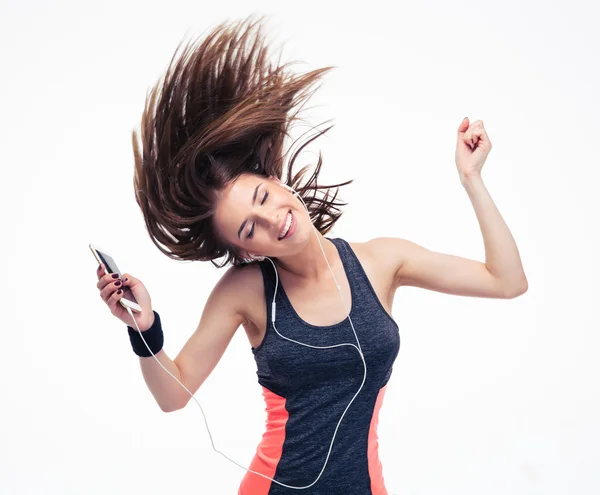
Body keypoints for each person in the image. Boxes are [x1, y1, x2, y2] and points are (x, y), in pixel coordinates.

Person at [95, 15, 528, 495]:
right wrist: (144, 329)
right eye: (248, 229)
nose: (270, 220)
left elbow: (506, 281)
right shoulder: (247, 291)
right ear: (243, 249)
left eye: (261, 199)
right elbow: (174, 395)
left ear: (274, 180)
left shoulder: (382, 261)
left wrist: (472, 179)